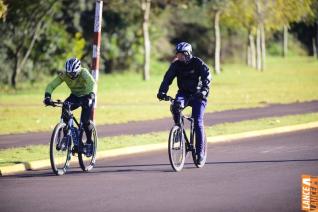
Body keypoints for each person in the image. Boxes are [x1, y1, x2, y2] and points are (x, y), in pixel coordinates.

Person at [157, 42, 212, 165]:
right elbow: (167, 79)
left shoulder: (197, 63)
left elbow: (207, 77)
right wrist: (162, 92)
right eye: (178, 54)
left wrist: (204, 90)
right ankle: (179, 131)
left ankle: (200, 153)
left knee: (197, 121)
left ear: (188, 54)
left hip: (198, 95)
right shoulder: (176, 65)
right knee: (175, 107)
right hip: (184, 94)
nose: (179, 57)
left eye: (182, 54)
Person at [43, 57, 96, 152]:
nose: (71, 75)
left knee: (85, 121)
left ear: (78, 70)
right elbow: (51, 85)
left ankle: (89, 142)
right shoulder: (64, 74)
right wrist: (47, 97)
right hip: (75, 96)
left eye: (73, 73)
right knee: (65, 108)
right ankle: (66, 137)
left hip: (87, 97)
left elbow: (92, 83)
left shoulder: (83, 72)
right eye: (69, 73)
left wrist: (91, 95)